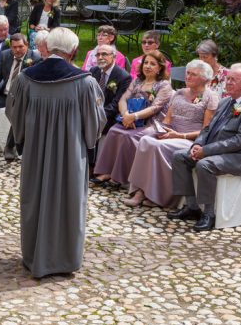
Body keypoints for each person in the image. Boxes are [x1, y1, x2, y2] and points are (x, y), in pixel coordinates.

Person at [6, 27, 105, 278]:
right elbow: (95, 124)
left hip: (36, 153)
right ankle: (63, 259)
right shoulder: (84, 83)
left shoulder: (27, 79)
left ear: (47, 49)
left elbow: (13, 113)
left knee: (35, 197)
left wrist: (23, 137)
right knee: (68, 199)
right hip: (69, 155)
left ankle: (33, 255)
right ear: (73, 51)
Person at [169, 63, 241, 232]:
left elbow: (239, 141)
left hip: (239, 157)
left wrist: (206, 151)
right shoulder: (225, 102)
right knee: (179, 156)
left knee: (204, 164)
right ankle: (192, 207)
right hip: (212, 149)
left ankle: (209, 213)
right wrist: (198, 144)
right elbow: (207, 128)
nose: (228, 83)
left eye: (233, 80)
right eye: (227, 79)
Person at [125, 60, 219, 208]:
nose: (188, 76)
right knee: (145, 140)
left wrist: (179, 136)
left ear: (205, 79)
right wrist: (160, 130)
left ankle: (157, 196)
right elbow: (167, 120)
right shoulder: (179, 93)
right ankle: (140, 190)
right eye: (187, 73)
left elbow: (206, 130)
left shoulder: (210, 97)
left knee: (158, 147)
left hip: (190, 139)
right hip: (170, 134)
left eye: (193, 74)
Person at [91, 50, 174, 187]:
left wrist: (134, 117)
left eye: (152, 64)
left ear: (159, 67)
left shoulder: (164, 85)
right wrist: (125, 115)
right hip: (129, 118)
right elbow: (123, 99)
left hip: (150, 123)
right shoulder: (137, 81)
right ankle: (106, 171)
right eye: (146, 63)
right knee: (114, 131)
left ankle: (118, 177)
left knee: (129, 137)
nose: (148, 66)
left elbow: (155, 107)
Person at [88, 43, 131, 137]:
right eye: (98, 54)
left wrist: (97, 116)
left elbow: (116, 103)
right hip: (91, 112)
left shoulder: (124, 77)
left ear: (114, 57)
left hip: (109, 117)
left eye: (104, 54)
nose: (100, 57)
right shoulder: (93, 71)